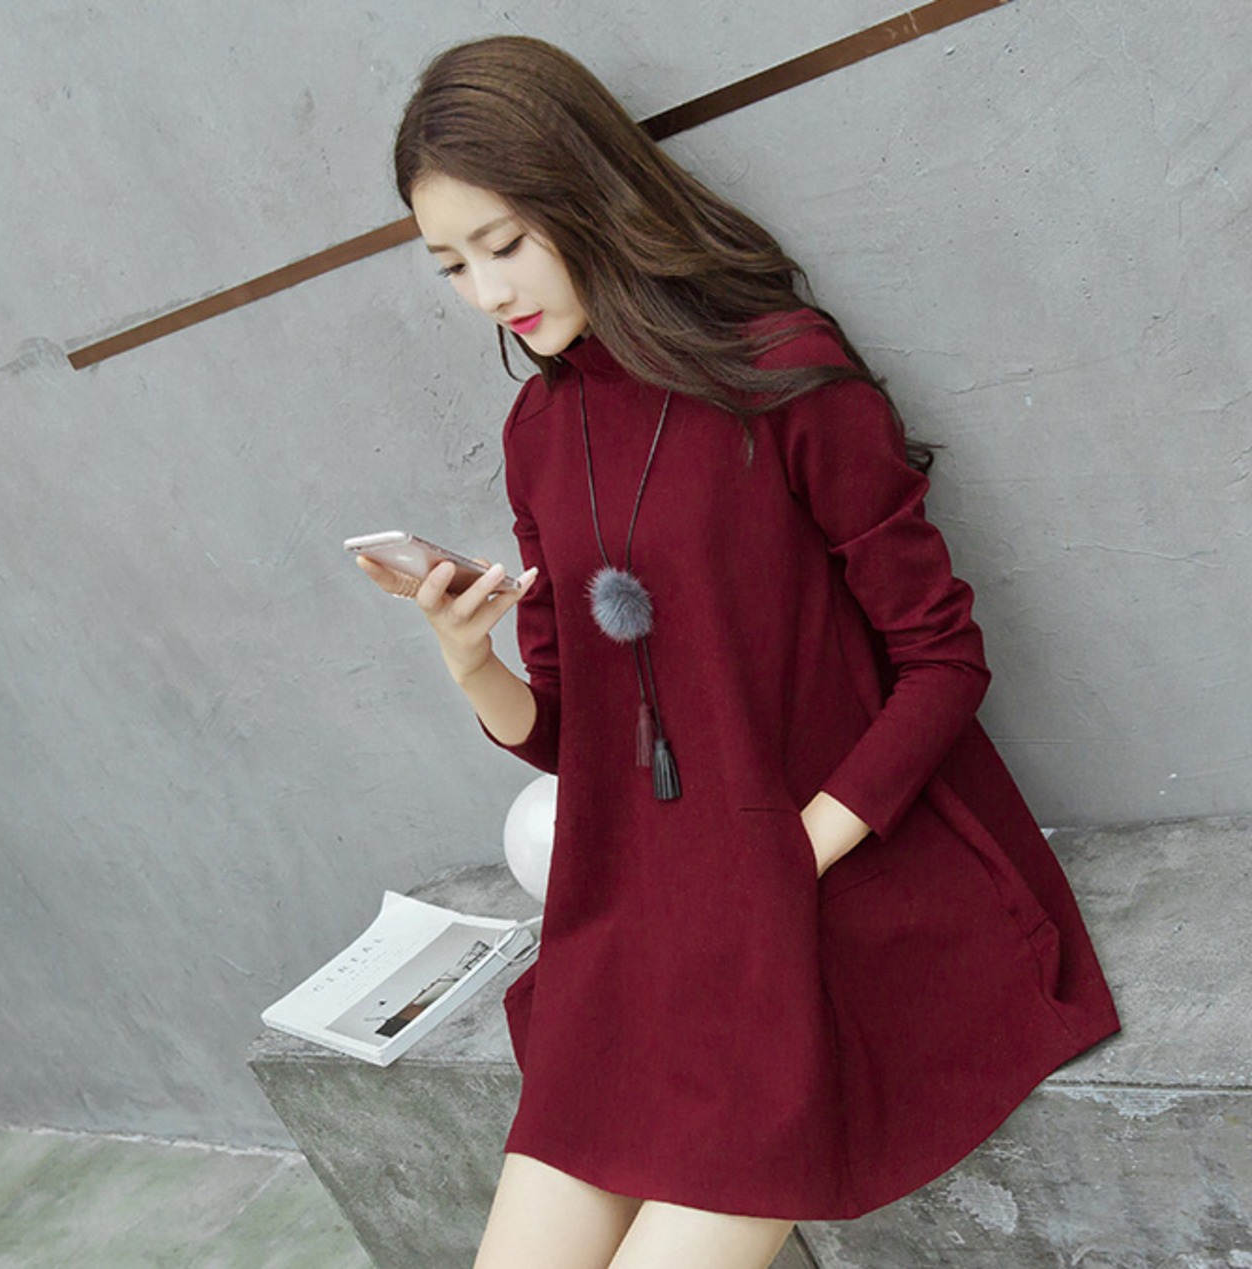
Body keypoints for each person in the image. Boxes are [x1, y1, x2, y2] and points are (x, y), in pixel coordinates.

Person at [358, 35, 1120, 1269]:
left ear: (583, 194)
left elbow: (942, 661)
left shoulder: (783, 376)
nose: (489, 294)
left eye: (505, 243)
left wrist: (787, 856)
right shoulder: (537, 432)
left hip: (843, 873)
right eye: (452, 265)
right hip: (658, 899)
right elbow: (572, 736)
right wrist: (468, 659)